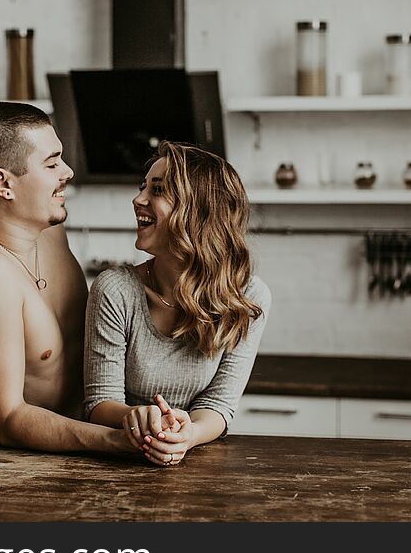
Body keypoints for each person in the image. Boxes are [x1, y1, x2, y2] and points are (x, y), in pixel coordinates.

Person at [0, 101, 133, 454]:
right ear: (4, 184)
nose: (68, 171)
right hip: (37, 467)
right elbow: (7, 419)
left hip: (100, 449)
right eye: (52, 162)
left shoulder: (49, 232)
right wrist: (119, 441)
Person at [84, 142, 271, 466]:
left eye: (157, 191)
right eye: (143, 187)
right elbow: (100, 402)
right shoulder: (114, 290)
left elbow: (219, 404)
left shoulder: (248, 298)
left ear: (198, 212)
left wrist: (189, 434)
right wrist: (138, 417)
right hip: (113, 461)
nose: (138, 200)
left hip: (194, 463)